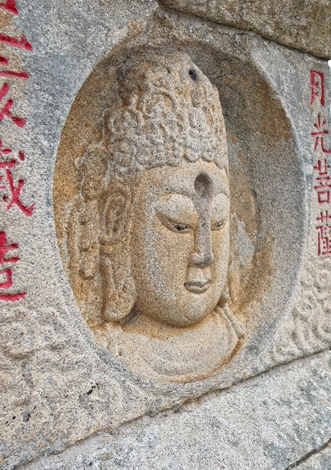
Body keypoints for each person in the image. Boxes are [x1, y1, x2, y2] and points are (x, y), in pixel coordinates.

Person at [64, 50, 244, 382]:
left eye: (218, 223)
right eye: (179, 224)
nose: (203, 254)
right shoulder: (106, 353)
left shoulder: (238, 337)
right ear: (116, 221)